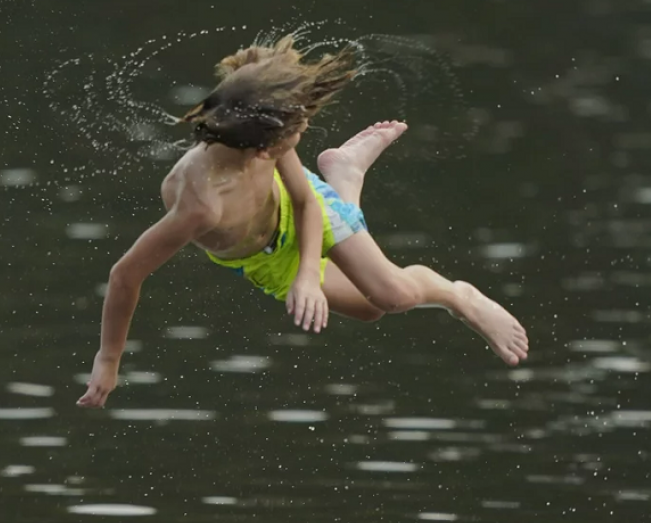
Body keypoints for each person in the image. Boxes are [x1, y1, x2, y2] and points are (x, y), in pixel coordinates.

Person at [77, 35, 529, 409]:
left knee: (394, 295)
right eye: (296, 132)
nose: (302, 133)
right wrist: (109, 358)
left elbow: (306, 202)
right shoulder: (202, 205)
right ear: (262, 151)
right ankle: (346, 175)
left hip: (300, 212)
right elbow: (124, 276)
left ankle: (458, 295)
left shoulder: (261, 121)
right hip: (262, 257)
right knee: (369, 309)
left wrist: (310, 276)